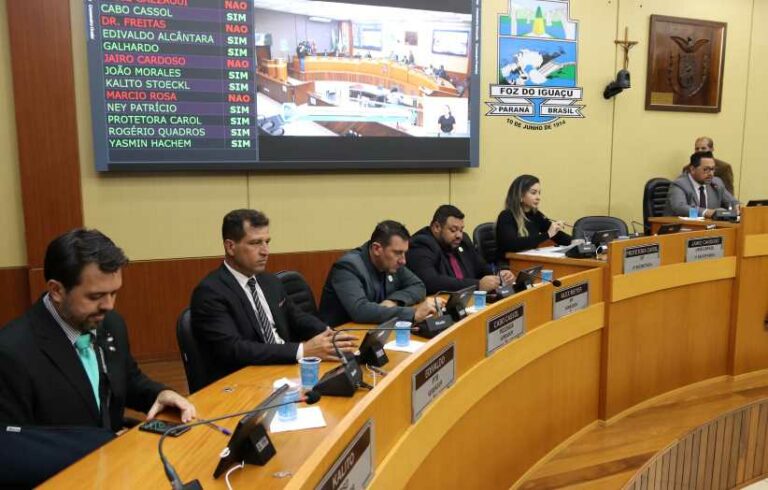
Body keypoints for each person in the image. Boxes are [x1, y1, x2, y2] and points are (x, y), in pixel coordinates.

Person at [0, 229, 195, 432]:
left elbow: (127, 381)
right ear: (56, 290)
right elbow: (18, 443)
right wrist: (100, 443)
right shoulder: (12, 353)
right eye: (95, 296)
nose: (109, 306)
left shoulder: (111, 323)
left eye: (114, 293)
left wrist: (159, 394)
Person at [190, 209, 356, 384]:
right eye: (255, 243)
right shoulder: (210, 292)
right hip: (247, 380)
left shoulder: (269, 281)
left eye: (267, 242)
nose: (265, 251)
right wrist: (302, 350)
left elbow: (297, 318)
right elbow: (234, 349)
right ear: (230, 247)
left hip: (285, 370)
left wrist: (330, 334)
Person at [318, 220, 438, 327]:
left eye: (404, 253)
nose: (403, 260)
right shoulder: (348, 267)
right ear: (376, 249)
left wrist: (394, 301)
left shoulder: (392, 264)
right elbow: (360, 310)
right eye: (397, 253)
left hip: (374, 329)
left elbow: (418, 286)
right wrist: (413, 313)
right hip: (339, 335)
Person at [407, 205, 514, 294]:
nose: (459, 235)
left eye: (461, 230)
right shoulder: (421, 244)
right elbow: (431, 282)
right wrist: (477, 285)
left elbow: (481, 267)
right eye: (453, 230)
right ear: (436, 227)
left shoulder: (463, 240)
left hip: (468, 300)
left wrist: (499, 275)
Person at [496, 174, 571, 258]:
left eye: (539, 193)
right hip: (509, 263)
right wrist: (547, 234)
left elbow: (557, 236)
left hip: (528, 260)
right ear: (520, 195)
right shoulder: (506, 216)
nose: (538, 197)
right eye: (533, 193)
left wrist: (578, 242)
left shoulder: (536, 215)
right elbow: (511, 244)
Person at [666, 151, 739, 218]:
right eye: (706, 169)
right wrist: (706, 212)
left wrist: (738, 207)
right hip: (680, 226)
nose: (711, 174)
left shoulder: (716, 183)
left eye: (712, 169)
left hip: (709, 226)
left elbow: (732, 202)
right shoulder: (679, 184)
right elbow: (680, 208)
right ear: (692, 169)